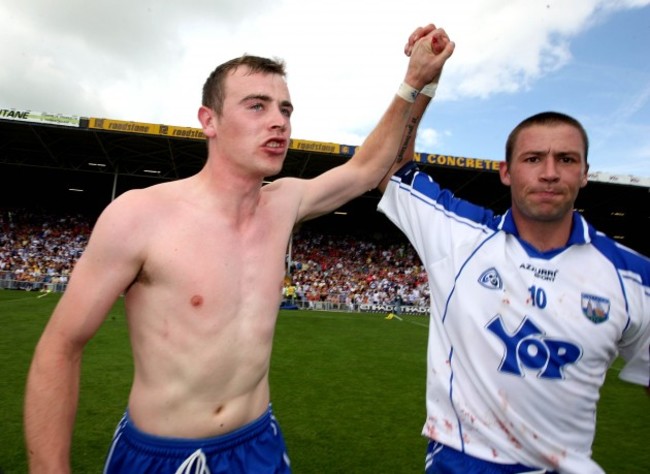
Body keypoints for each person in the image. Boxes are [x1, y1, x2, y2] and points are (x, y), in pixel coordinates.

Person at [23, 24, 454, 474]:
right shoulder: (139, 216)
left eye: (285, 109)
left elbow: (367, 168)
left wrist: (418, 81)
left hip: (257, 446)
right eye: (257, 106)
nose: (279, 121)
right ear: (208, 121)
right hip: (159, 455)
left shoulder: (284, 203)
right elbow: (60, 346)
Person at [377, 48, 650, 472]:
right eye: (533, 158)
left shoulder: (634, 278)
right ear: (506, 171)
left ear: (584, 174)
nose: (549, 173)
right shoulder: (457, 235)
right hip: (464, 460)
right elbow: (391, 168)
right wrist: (422, 82)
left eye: (566, 160)